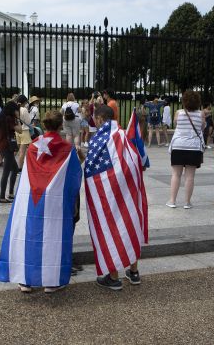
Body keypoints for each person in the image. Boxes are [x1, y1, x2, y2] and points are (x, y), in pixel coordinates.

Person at [0, 109, 82, 294]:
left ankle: (26, 280)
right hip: (56, 202)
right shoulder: (66, 148)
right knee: (53, 238)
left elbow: (27, 172)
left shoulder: (34, 145)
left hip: (32, 200)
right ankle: (51, 282)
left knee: (30, 236)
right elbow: (74, 176)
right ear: (60, 126)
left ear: (44, 125)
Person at [86, 105, 148, 291]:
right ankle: (134, 272)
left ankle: (113, 277)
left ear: (99, 119)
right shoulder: (124, 134)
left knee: (111, 223)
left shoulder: (99, 138)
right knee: (129, 221)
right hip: (129, 184)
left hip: (110, 187)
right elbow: (141, 159)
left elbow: (92, 167)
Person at [167, 90, 206, 209]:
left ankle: (172, 201)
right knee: (190, 176)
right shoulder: (201, 114)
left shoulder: (178, 112)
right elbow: (203, 127)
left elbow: (175, 123)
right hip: (194, 147)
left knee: (176, 174)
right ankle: (187, 202)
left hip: (178, 145)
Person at [0, 101, 21, 204]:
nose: (17, 111)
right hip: (7, 147)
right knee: (6, 171)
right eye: (16, 110)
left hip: (2, 146)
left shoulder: (1, 118)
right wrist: (18, 118)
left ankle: (10, 193)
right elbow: (20, 130)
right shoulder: (9, 119)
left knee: (14, 169)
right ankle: (2, 196)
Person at [15, 95, 31, 169]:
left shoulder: (15, 109)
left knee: (17, 150)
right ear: (24, 102)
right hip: (24, 131)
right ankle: (20, 168)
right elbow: (28, 121)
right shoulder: (24, 110)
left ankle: (12, 164)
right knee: (22, 152)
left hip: (17, 131)